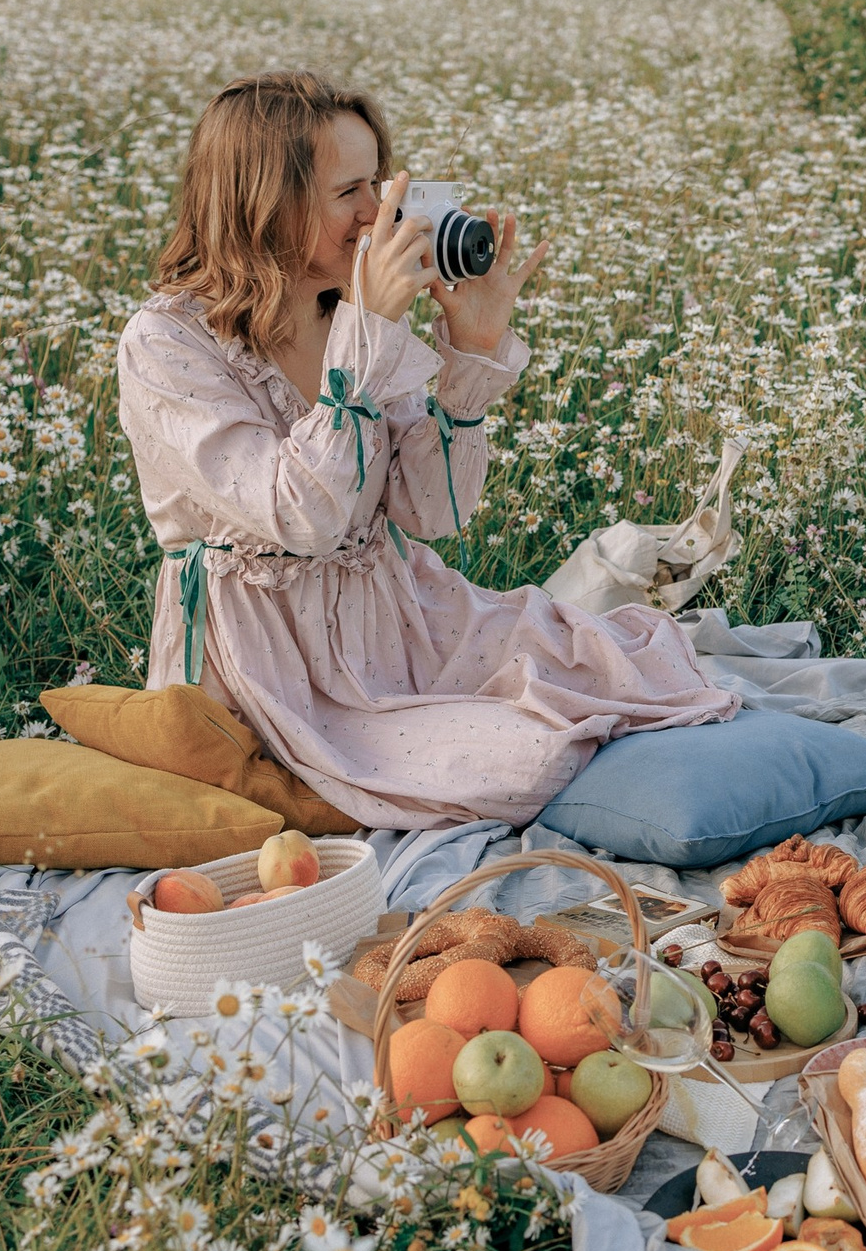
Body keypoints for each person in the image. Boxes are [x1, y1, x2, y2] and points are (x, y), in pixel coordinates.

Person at [117, 71, 738, 829]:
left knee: (626, 656)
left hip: (395, 612)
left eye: (379, 183)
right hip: (275, 662)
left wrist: (465, 364)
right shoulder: (167, 342)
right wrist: (367, 338)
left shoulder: (352, 310)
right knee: (528, 756)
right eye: (351, 191)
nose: (379, 214)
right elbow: (301, 515)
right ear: (267, 203)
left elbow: (433, 512)